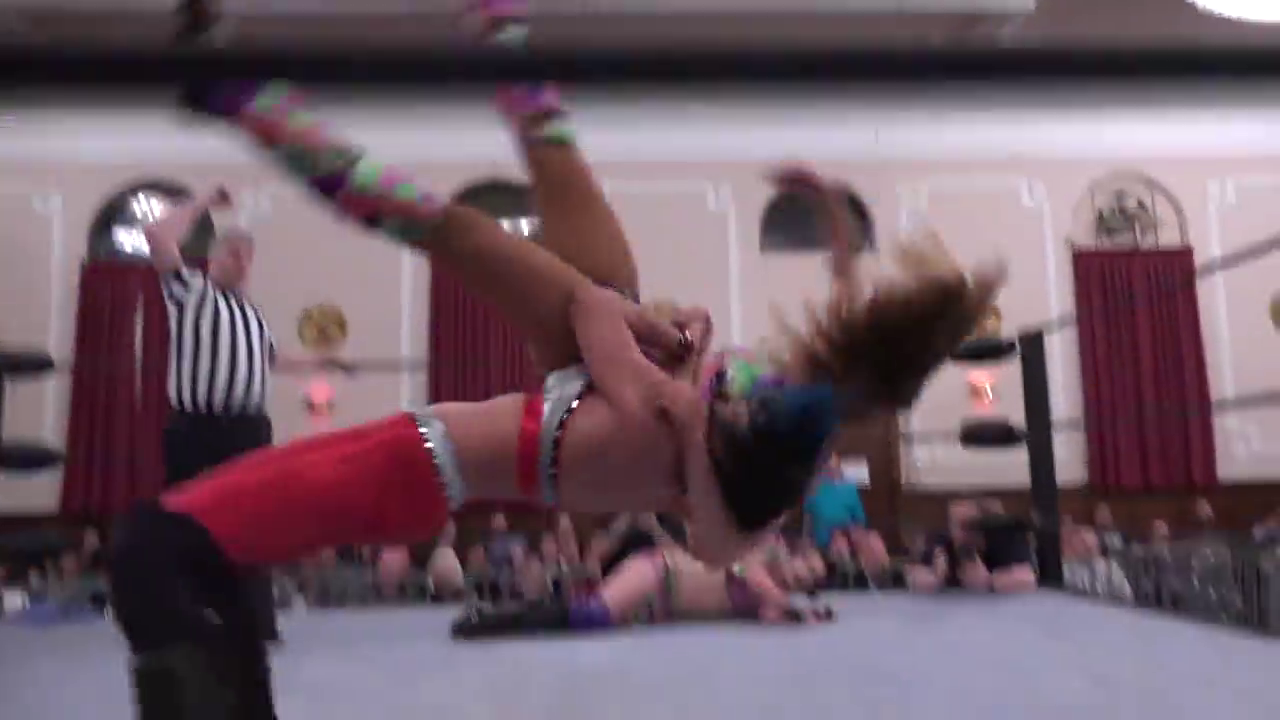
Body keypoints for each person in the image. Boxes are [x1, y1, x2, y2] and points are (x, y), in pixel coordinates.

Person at [109, 2, 1004, 717]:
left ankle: (242, 97)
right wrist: (715, 333)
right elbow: (738, 509)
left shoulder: (676, 421)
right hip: (580, 384)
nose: (743, 381)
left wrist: (672, 378)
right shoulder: (762, 447)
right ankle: (475, 28)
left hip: (512, 416)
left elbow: (599, 319)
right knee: (546, 155)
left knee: (441, 221)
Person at [149, 194, 283, 644]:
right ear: (212, 257)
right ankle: (181, 620)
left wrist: (328, 364)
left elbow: (270, 361)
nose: (242, 262)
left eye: (248, 256)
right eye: (233, 253)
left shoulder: (254, 314)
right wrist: (205, 200)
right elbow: (157, 235)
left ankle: (255, 623)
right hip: (199, 428)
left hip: (248, 430)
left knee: (255, 524)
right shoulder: (192, 293)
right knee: (187, 523)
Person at [452, 530, 835, 638]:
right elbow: (753, 578)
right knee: (593, 615)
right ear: (795, 555)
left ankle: (497, 614)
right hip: (659, 572)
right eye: (806, 568)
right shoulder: (759, 554)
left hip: (662, 604)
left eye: (809, 581)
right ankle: (489, 621)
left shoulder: (773, 597)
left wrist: (805, 615)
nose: (803, 577)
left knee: (590, 614)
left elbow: (771, 615)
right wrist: (792, 605)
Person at [904, 499, 1037, 594]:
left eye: (969, 525)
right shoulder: (943, 545)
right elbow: (914, 576)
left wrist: (990, 582)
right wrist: (937, 579)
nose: (962, 532)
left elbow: (1027, 580)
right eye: (956, 525)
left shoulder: (1001, 542)